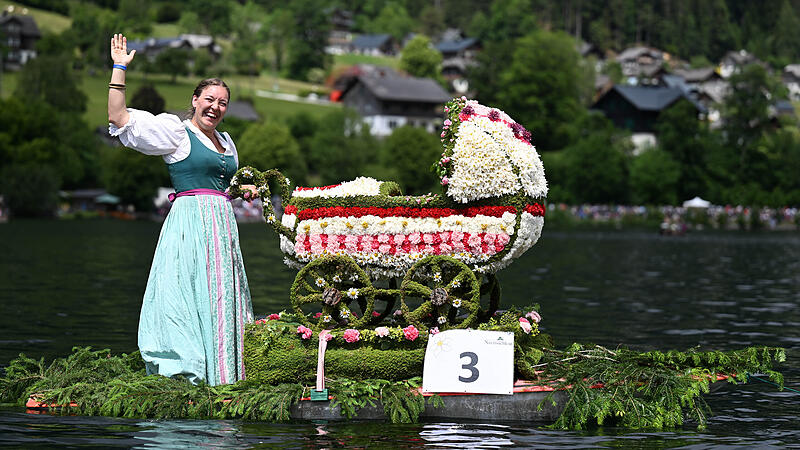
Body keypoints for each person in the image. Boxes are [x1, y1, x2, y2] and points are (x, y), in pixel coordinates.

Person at [107, 33, 254, 385]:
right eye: (209, 99)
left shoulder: (226, 141)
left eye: (222, 102)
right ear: (195, 99)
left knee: (221, 293)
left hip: (222, 226)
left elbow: (217, 186)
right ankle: (188, 370)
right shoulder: (176, 131)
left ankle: (227, 372)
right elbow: (119, 117)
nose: (215, 107)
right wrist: (119, 69)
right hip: (189, 224)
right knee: (184, 290)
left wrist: (239, 190)